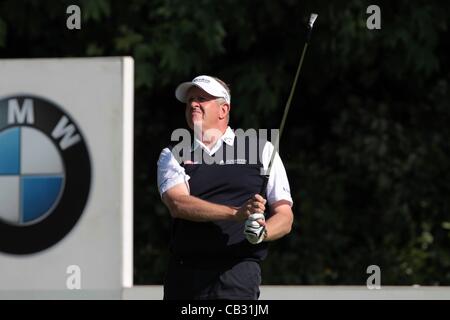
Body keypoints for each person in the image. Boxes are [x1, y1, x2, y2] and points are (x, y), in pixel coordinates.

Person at [157, 75, 294, 300]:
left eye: (202, 98)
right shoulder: (172, 153)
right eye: (190, 99)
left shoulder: (262, 150)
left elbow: (285, 215)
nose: (193, 104)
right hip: (186, 275)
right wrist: (236, 214)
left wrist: (263, 232)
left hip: (238, 273)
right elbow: (178, 203)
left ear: (223, 109)